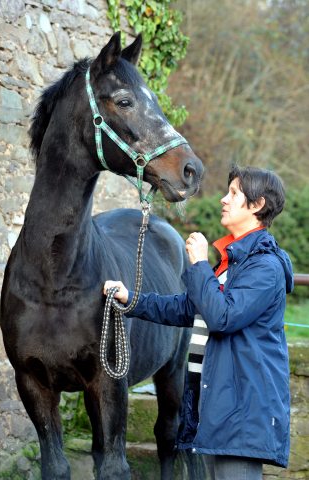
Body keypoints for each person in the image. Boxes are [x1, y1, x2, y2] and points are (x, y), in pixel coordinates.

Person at [104, 165, 293, 480]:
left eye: (233, 194)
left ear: (258, 205)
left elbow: (222, 317)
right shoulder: (233, 264)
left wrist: (201, 264)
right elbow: (187, 307)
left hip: (242, 415)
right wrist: (133, 299)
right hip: (215, 410)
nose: (223, 199)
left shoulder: (266, 268)